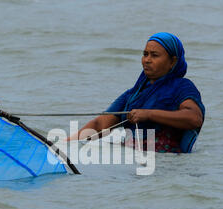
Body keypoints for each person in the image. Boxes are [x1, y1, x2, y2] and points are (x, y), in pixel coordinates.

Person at [68, 32, 205, 153]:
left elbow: (194, 118)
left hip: (166, 164)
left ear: (172, 61)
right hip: (132, 161)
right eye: (145, 54)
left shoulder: (182, 86)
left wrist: (149, 114)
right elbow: (100, 125)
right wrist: (65, 143)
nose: (147, 60)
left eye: (154, 55)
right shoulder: (133, 94)